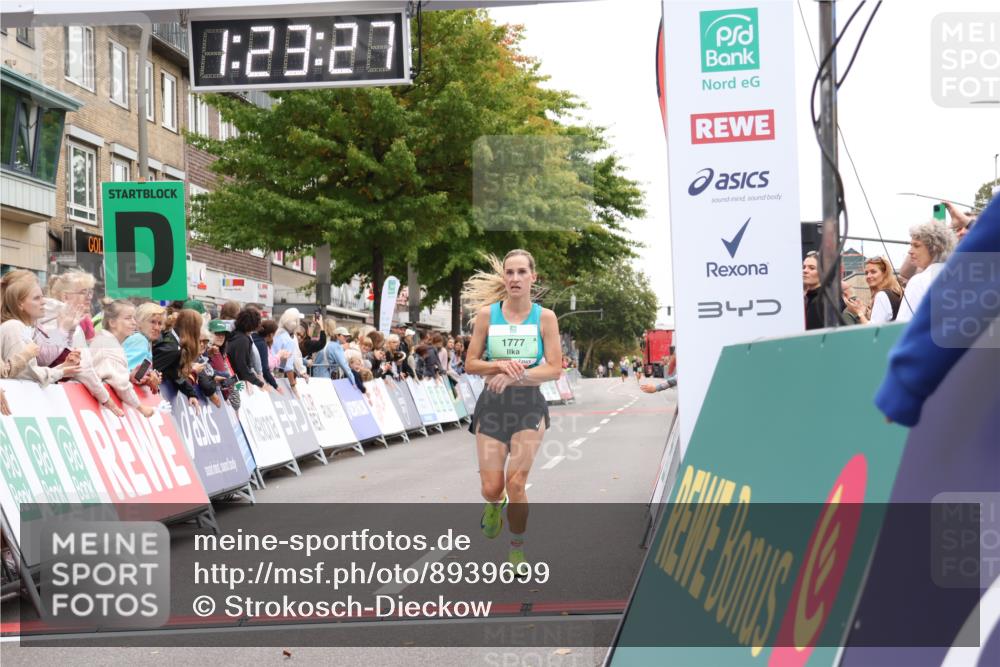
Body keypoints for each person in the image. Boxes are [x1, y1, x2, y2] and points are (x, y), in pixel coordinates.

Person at [463, 250, 563, 576]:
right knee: (493, 487)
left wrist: (515, 375)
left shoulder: (545, 317)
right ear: (504, 277)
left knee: (516, 483)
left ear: (533, 277)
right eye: (510, 272)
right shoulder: (487, 316)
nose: (516, 278)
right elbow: (471, 364)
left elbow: (554, 369)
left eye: (522, 272)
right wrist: (497, 366)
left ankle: (516, 549)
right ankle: (494, 505)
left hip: (528, 407)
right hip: (492, 407)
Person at [876, 192, 999, 425]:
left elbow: (970, 285)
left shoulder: (922, 281)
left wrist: (905, 382)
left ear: (932, 246)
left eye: (915, 245)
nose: (910, 251)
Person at [0, 270, 81, 385]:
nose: (43, 302)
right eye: (36, 298)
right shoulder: (13, 326)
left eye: (42, 297)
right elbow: (26, 373)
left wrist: (62, 368)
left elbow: (29, 371)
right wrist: (63, 330)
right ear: (19, 304)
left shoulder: (24, 327)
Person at [89, 301, 156, 417]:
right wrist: (141, 407)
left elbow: (114, 376)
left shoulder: (108, 342)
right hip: (95, 407)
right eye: (128, 318)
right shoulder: (109, 345)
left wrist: (130, 376)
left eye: (134, 318)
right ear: (112, 322)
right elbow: (121, 385)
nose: (134, 323)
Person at [895, 220, 957, 323]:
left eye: (916, 245)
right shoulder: (959, 277)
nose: (910, 251)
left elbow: (902, 326)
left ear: (935, 248)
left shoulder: (919, 281)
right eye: (911, 245)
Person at [153, 309, 203, 408]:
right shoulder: (172, 348)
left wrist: (191, 393)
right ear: (194, 330)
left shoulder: (175, 343)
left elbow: (174, 373)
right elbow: (150, 369)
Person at [846, 257, 904, 325]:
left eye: (873, 272)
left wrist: (859, 312)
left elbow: (873, 330)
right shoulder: (896, 292)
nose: (868, 276)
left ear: (885, 273)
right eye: (866, 273)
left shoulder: (882, 295)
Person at [123, 302, 165, 393]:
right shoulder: (140, 340)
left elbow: (139, 373)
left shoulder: (144, 340)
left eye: (160, 323)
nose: (157, 328)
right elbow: (134, 375)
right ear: (139, 322)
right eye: (152, 322)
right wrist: (150, 376)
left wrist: (153, 375)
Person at [228, 307, 271, 392]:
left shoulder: (236, 336)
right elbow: (242, 366)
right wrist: (260, 384)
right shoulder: (243, 340)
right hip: (237, 384)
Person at [313, 318, 355, 385]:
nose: (347, 338)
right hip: (327, 379)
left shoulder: (319, 343)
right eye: (345, 336)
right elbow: (344, 365)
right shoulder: (335, 346)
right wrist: (353, 381)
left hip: (315, 376)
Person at [251, 318, 280, 390]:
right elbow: (264, 368)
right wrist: (275, 385)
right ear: (271, 334)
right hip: (255, 380)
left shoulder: (251, 337)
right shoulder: (262, 344)